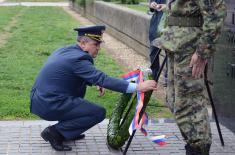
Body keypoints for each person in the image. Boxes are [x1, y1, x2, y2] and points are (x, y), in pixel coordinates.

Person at [30, 25, 157, 151]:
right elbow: (103, 79)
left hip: (41, 99)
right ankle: (55, 133)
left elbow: (74, 74)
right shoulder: (79, 59)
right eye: (96, 44)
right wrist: (139, 86)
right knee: (98, 113)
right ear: (84, 43)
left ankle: (67, 131)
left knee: (78, 96)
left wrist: (96, 82)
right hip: (50, 103)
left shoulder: (67, 50)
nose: (98, 48)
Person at [151, 0, 226, 155]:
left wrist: (202, 52)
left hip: (190, 49)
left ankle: (199, 148)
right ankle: (193, 145)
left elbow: (216, 14)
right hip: (176, 45)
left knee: (189, 105)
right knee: (174, 102)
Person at [148, 0, 166, 81]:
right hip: (155, 25)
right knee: (153, 53)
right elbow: (151, 5)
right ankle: (154, 76)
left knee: (169, 54)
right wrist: (152, 4)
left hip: (169, 25)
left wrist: (166, 6)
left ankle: (168, 77)